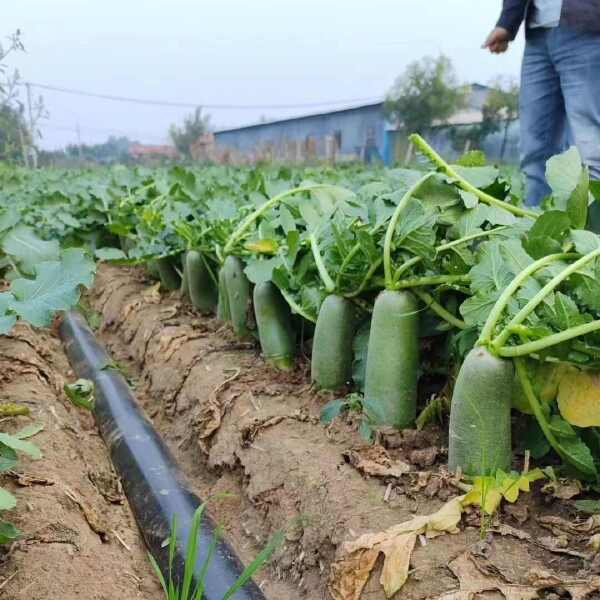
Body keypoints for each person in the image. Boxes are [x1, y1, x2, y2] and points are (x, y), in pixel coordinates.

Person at [483, 1, 600, 206]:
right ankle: (539, 227)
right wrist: (507, 23)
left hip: (587, 28)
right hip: (538, 35)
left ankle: (592, 232)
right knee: (535, 149)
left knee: (590, 147)